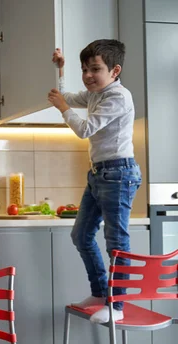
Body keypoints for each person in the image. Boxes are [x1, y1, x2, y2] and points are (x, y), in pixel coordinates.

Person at [48, 40, 142, 323]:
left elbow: (85, 129)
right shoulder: (95, 93)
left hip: (119, 174)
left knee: (117, 243)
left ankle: (116, 306)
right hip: (100, 173)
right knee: (81, 236)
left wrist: (64, 107)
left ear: (115, 70)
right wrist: (61, 69)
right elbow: (63, 94)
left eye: (95, 69)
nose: (88, 75)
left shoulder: (119, 97)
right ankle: (101, 292)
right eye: (84, 69)